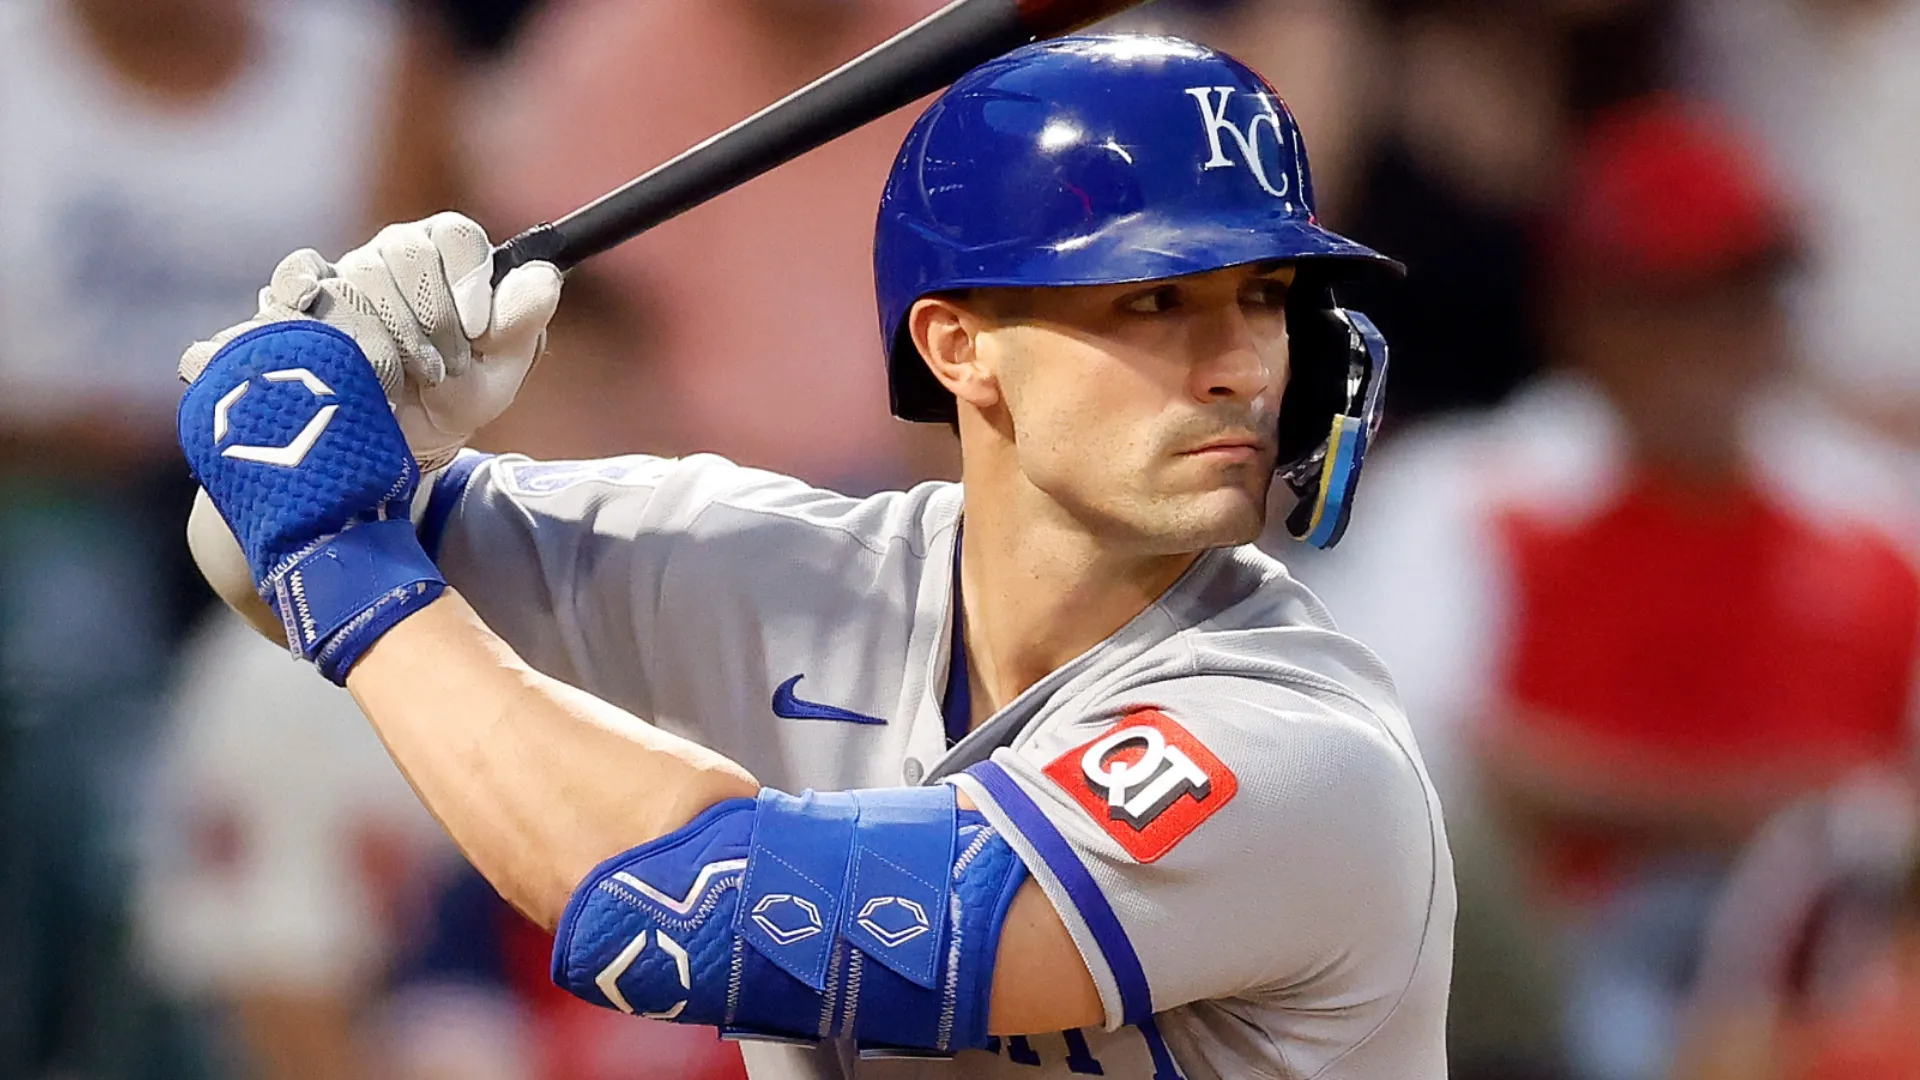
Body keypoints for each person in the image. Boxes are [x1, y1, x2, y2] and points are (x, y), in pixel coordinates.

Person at [174, 35, 1454, 1078]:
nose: (1241, 364)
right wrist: (371, 409)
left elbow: (687, 920)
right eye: (1156, 301)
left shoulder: (1303, 754)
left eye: (1269, 298)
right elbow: (249, 557)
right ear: (958, 347)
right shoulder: (792, 567)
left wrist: (348, 549)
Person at [1294, 96, 1920, 1080]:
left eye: (1739, 294)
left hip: (1830, 965)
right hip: (1544, 978)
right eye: (1668, 298)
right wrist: (1734, 810)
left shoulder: (1876, 514)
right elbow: (1410, 771)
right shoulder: (1474, 496)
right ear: (1582, 308)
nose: (1707, 337)